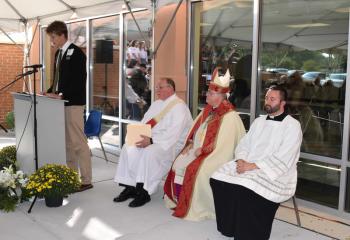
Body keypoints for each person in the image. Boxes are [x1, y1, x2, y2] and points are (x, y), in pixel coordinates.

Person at [210, 85, 302, 240]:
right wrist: (241, 160)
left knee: (245, 187)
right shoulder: (259, 121)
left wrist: (251, 166)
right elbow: (244, 144)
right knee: (217, 178)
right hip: (248, 164)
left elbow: (285, 156)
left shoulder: (292, 125)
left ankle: (248, 234)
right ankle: (229, 227)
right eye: (266, 98)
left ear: (282, 103)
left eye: (272, 99)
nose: (267, 101)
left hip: (275, 171)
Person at [163, 68, 246, 221]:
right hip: (197, 150)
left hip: (217, 157)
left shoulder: (230, 117)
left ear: (221, 96)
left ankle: (198, 206)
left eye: (210, 93)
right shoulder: (208, 110)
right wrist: (190, 145)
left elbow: (225, 147)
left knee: (197, 170)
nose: (206, 95)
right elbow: (196, 132)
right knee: (178, 163)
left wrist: (203, 151)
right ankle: (179, 200)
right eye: (208, 92)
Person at [114, 78, 193, 207]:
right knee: (128, 148)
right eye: (157, 87)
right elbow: (145, 122)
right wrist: (138, 134)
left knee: (149, 153)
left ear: (170, 89)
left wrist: (151, 140)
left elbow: (174, 133)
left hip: (170, 145)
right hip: (151, 139)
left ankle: (143, 192)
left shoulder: (180, 107)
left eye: (160, 87)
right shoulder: (156, 104)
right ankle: (130, 187)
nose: (157, 90)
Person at [44, 20, 92, 192]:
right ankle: (72, 178)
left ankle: (86, 180)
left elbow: (78, 81)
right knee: (68, 144)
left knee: (78, 142)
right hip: (61, 103)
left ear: (62, 35)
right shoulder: (58, 54)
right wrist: (49, 91)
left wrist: (61, 94)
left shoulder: (77, 53)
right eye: (51, 37)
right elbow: (59, 80)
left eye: (54, 37)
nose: (52, 40)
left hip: (73, 103)